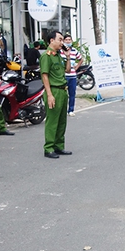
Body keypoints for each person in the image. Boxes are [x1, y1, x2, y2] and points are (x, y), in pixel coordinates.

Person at [40, 30, 72, 158]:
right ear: (51, 40)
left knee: (62, 121)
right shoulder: (46, 56)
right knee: (52, 121)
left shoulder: (58, 55)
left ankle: (59, 146)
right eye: (60, 39)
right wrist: (49, 95)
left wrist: (68, 56)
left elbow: (68, 70)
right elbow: (45, 76)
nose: (62, 42)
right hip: (53, 90)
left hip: (63, 90)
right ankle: (49, 148)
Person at [60, 34, 83, 116]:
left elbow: (81, 59)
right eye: (66, 40)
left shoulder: (74, 51)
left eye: (69, 40)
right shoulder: (60, 51)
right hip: (63, 76)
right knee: (63, 94)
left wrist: (77, 67)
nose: (68, 41)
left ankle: (71, 110)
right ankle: (62, 110)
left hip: (72, 76)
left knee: (72, 94)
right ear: (63, 41)